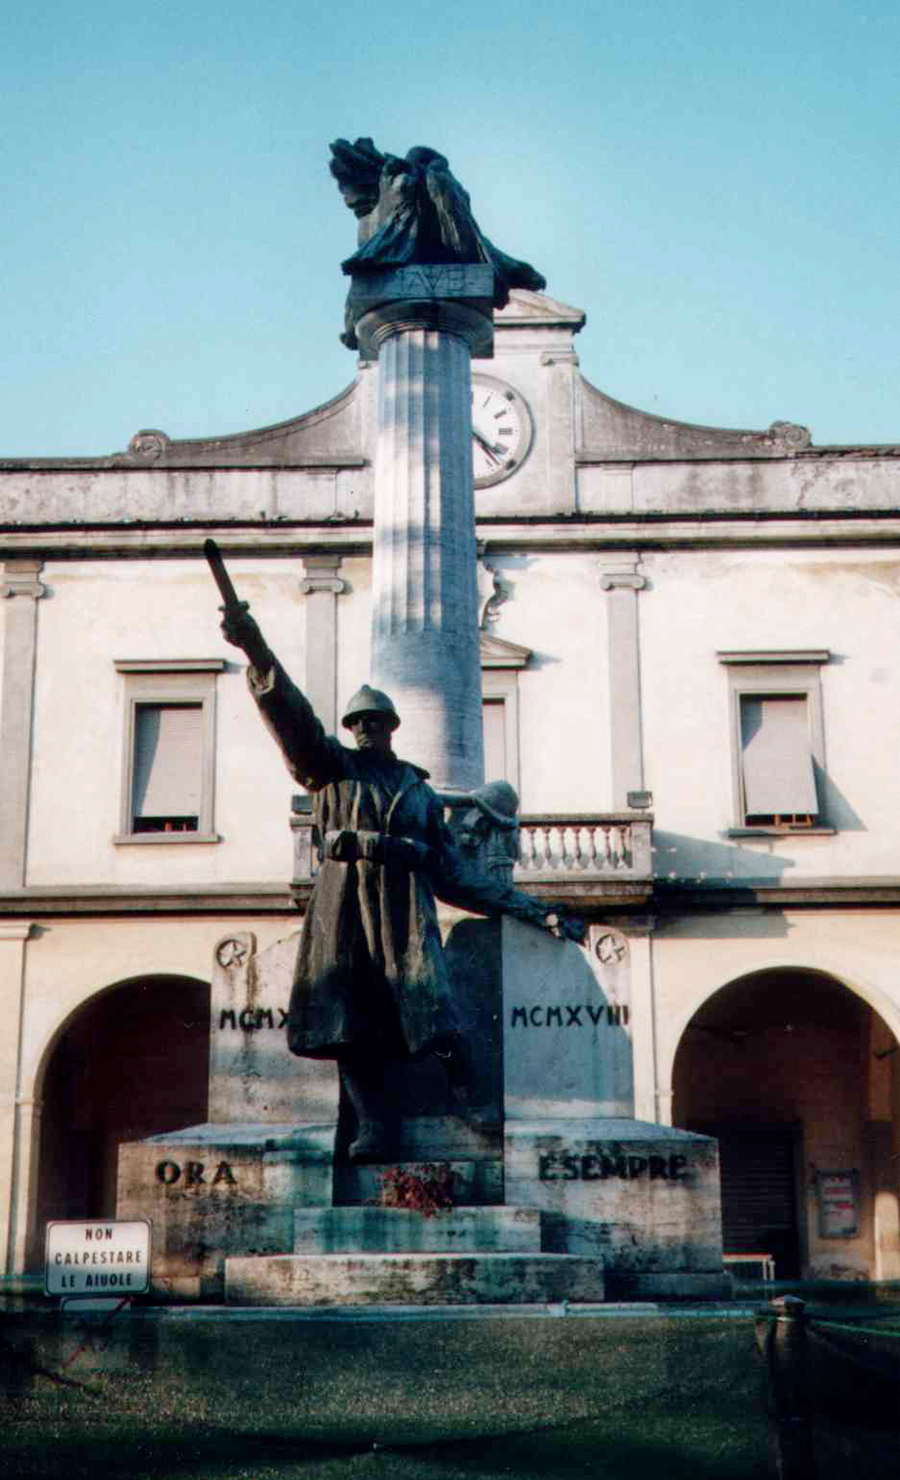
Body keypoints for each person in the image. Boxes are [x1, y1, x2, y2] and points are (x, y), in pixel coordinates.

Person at [220, 600, 581, 1160]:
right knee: (349, 1025)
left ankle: (468, 1096)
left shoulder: (419, 793)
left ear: (391, 727)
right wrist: (254, 649)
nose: (364, 729)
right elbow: (291, 718)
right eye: (356, 722)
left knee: (434, 1009)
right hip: (343, 915)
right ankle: (374, 1126)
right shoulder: (330, 771)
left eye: (374, 721)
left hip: (404, 915)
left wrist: (534, 908)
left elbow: (454, 874)